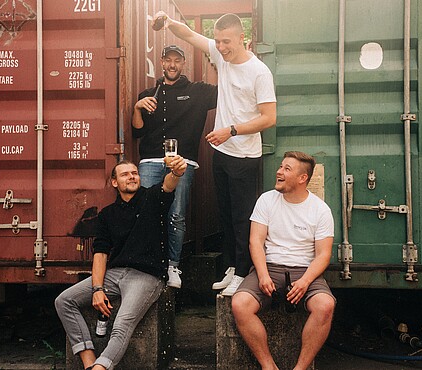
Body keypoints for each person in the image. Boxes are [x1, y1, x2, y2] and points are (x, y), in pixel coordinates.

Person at [153, 12, 277, 296]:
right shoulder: (222, 57)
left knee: (241, 217)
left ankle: (244, 273)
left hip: (244, 156)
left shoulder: (259, 72)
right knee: (225, 214)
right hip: (222, 153)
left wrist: (231, 130)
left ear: (242, 38)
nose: (220, 48)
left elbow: (269, 118)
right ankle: (232, 268)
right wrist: (169, 22)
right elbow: (189, 35)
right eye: (218, 41)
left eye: (226, 42)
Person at [55, 156, 187, 370]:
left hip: (147, 276)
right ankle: (89, 362)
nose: (132, 176)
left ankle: (101, 368)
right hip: (114, 275)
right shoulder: (107, 214)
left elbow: (168, 184)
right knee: (64, 301)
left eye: (134, 173)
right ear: (115, 182)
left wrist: (177, 172)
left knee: (122, 324)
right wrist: (97, 288)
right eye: (125, 174)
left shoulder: (152, 198)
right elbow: (100, 253)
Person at [231, 151, 336, 370]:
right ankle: (268, 366)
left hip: (305, 270)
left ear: (302, 178)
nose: (279, 171)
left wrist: (306, 281)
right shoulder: (266, 200)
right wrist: (262, 274)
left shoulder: (320, 210)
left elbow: (323, 255)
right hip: (270, 267)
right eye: (280, 167)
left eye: (287, 169)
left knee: (325, 306)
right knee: (240, 305)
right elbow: (255, 242)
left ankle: (300, 368)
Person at [132, 44, 217, 289]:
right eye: (168, 60)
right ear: (161, 62)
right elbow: (137, 131)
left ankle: (172, 266)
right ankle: (148, 264)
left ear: (183, 64)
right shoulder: (148, 94)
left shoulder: (198, 91)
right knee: (146, 213)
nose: (172, 65)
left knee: (176, 215)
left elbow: (230, 91)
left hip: (183, 162)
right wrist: (138, 107)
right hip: (150, 161)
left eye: (177, 61)